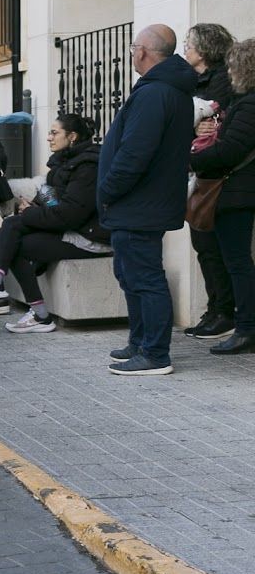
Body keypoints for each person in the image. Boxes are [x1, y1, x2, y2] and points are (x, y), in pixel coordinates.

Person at [98, 24, 197, 376]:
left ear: (142, 51)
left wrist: (107, 190)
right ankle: (140, 342)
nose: (131, 54)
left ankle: (155, 353)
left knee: (145, 277)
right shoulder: (164, 90)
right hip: (142, 203)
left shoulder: (156, 93)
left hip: (139, 203)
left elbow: (134, 154)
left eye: (132, 48)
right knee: (130, 273)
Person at [0, 114, 110, 333]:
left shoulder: (87, 167)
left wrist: (30, 213)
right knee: (12, 232)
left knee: (13, 234)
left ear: (73, 136)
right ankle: (17, 299)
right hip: (70, 229)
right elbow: (50, 198)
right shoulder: (62, 162)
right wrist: (32, 205)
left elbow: (71, 215)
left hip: (89, 237)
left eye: (54, 132)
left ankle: (5, 290)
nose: (49, 138)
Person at [190, 36, 255, 355]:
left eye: (232, 65)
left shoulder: (250, 103)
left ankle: (246, 329)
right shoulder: (244, 102)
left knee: (237, 263)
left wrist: (188, 161)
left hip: (236, 193)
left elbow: (231, 150)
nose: (228, 71)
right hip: (236, 191)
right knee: (235, 261)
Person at [183, 23, 238, 341]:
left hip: (219, 174)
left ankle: (224, 311)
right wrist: (194, 129)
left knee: (216, 247)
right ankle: (215, 307)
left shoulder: (222, 80)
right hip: (199, 173)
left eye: (189, 43)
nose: (185, 49)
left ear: (204, 49)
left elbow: (220, 121)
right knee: (204, 245)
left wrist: (207, 127)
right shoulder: (191, 82)